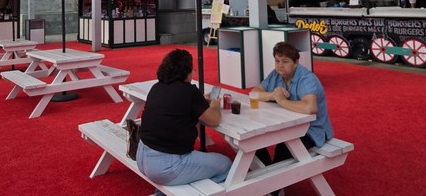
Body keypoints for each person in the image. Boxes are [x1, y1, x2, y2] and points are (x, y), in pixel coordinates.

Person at [136, 49, 232, 194]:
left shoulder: (157, 87)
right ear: (185, 71)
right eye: (192, 68)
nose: (193, 71)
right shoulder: (190, 92)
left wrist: (199, 100)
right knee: (227, 165)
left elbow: (178, 104)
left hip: (141, 157)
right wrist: (215, 107)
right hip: (167, 166)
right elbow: (214, 120)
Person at [251, 42, 333, 171]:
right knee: (253, 141)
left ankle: (272, 185)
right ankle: (266, 173)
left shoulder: (307, 78)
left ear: (296, 62)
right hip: (288, 125)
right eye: (277, 61)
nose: (280, 65)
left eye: (285, 61)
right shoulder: (276, 74)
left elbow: (310, 108)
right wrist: (273, 95)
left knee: (284, 147)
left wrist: (281, 101)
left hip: (311, 130)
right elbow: (254, 94)